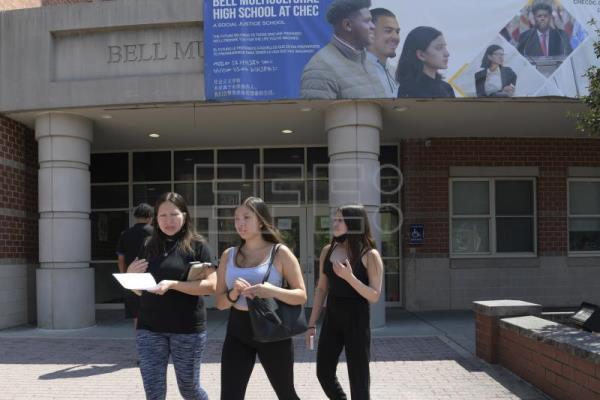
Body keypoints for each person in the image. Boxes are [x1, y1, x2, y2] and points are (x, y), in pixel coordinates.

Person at [127, 192, 216, 400]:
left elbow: (212, 286)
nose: (168, 221)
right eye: (162, 215)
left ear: (184, 215)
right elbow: (140, 289)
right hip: (149, 328)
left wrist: (174, 285)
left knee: (189, 389)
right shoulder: (148, 245)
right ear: (155, 218)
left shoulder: (198, 246)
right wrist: (131, 278)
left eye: (174, 214)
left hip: (186, 330)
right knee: (154, 391)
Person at [215, 196, 306, 400]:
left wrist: (272, 291)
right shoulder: (228, 255)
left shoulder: (280, 253)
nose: (240, 223)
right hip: (237, 331)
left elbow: (301, 295)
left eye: (246, 217)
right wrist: (233, 293)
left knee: (286, 394)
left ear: (261, 221)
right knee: (229, 396)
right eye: (237, 218)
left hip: (272, 328)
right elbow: (220, 303)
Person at [306, 205, 384, 400]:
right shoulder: (328, 250)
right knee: (323, 372)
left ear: (354, 223)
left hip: (356, 318)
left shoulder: (370, 255)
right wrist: (311, 323)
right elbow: (321, 289)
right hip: (332, 316)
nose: (335, 223)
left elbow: (374, 295)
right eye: (335, 219)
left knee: (358, 378)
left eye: (341, 220)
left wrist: (350, 278)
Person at [300, 0, 387, 99]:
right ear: (347, 25)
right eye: (367, 21)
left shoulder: (367, 59)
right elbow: (317, 114)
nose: (373, 26)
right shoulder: (319, 69)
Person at [116, 203, 154, 330]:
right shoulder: (156, 234)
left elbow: (121, 259)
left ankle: (141, 340)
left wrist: (124, 277)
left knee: (136, 314)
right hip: (153, 277)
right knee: (156, 311)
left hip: (132, 278)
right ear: (150, 216)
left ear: (135, 217)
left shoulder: (125, 234)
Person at [396, 26, 455, 98]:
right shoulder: (408, 90)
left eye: (445, 47)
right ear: (421, 55)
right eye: (439, 48)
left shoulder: (446, 88)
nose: (447, 54)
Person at [366, 8, 401, 98]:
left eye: (397, 32)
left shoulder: (397, 74)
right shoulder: (352, 72)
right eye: (388, 31)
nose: (396, 37)